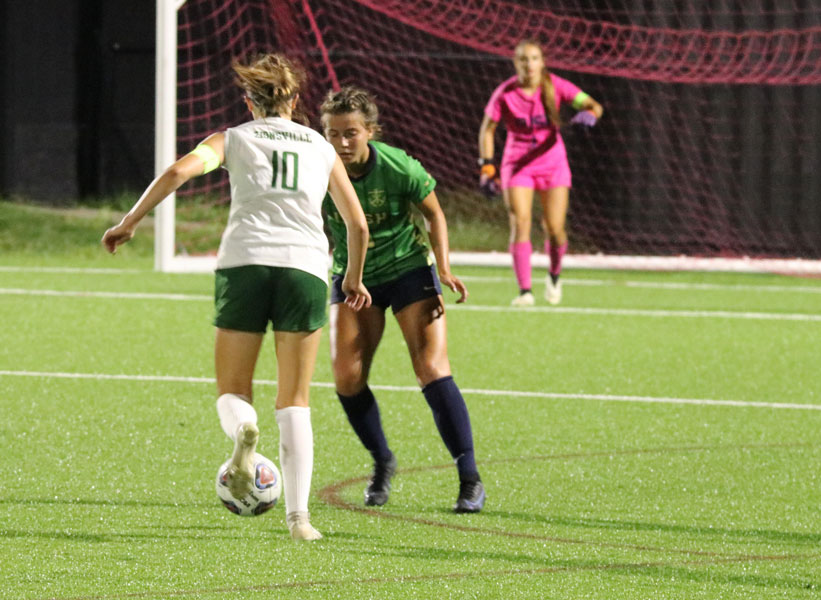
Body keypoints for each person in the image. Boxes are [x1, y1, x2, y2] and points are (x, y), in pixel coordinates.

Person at [101, 53, 372, 541]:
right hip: (304, 269)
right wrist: (351, 279)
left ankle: (243, 431)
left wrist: (130, 220)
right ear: (293, 99)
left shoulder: (232, 139)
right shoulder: (320, 146)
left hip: (244, 264)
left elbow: (178, 173)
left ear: (249, 102)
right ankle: (300, 520)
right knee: (295, 400)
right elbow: (356, 223)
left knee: (233, 390)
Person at [319, 86, 486, 513]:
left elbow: (434, 213)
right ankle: (382, 461)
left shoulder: (397, 166)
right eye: (333, 133)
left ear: (370, 131)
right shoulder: (317, 168)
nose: (341, 143)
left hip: (408, 269)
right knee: (346, 376)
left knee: (431, 367)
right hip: (353, 277)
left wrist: (443, 268)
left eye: (351, 133)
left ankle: (469, 478)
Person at [478, 39, 603, 307]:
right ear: (516, 64)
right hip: (517, 164)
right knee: (520, 221)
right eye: (524, 59)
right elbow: (487, 129)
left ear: (543, 62)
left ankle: (555, 275)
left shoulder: (556, 85)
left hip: (553, 163)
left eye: (534, 58)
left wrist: (589, 115)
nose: (530, 64)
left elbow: (593, 105)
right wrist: (487, 166)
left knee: (555, 229)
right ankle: (525, 292)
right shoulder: (505, 93)